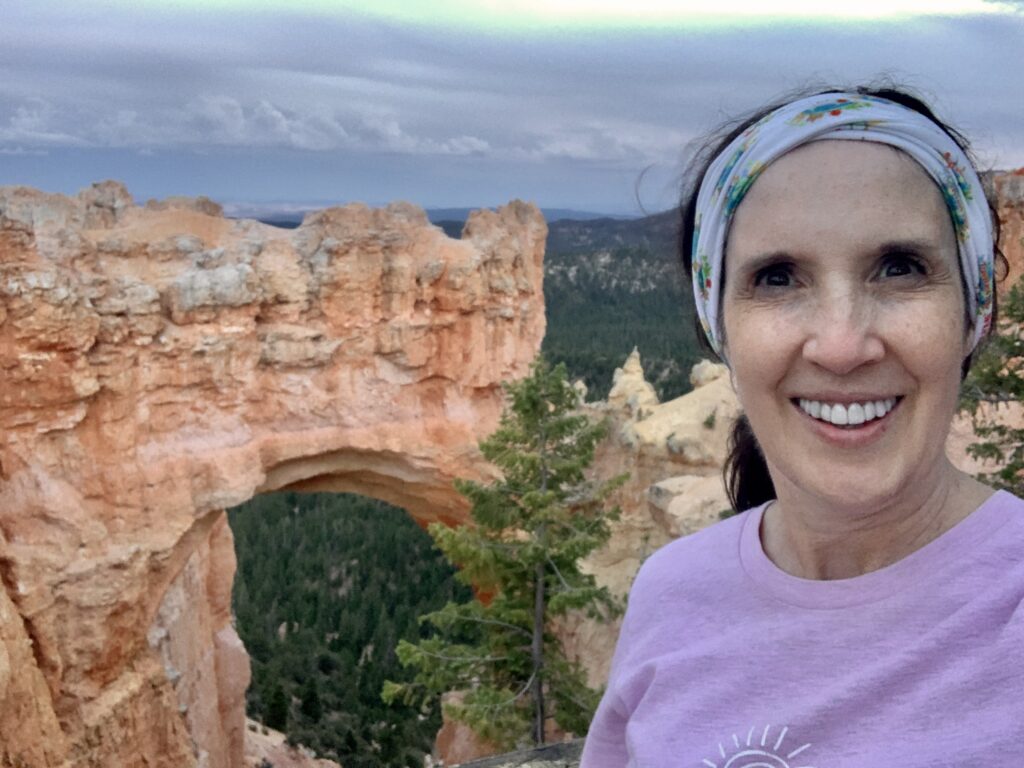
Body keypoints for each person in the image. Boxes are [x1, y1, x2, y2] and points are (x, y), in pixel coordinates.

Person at [580, 83, 1024, 766]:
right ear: (718, 326)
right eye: (778, 277)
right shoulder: (672, 592)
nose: (843, 345)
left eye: (900, 268)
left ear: (973, 312)